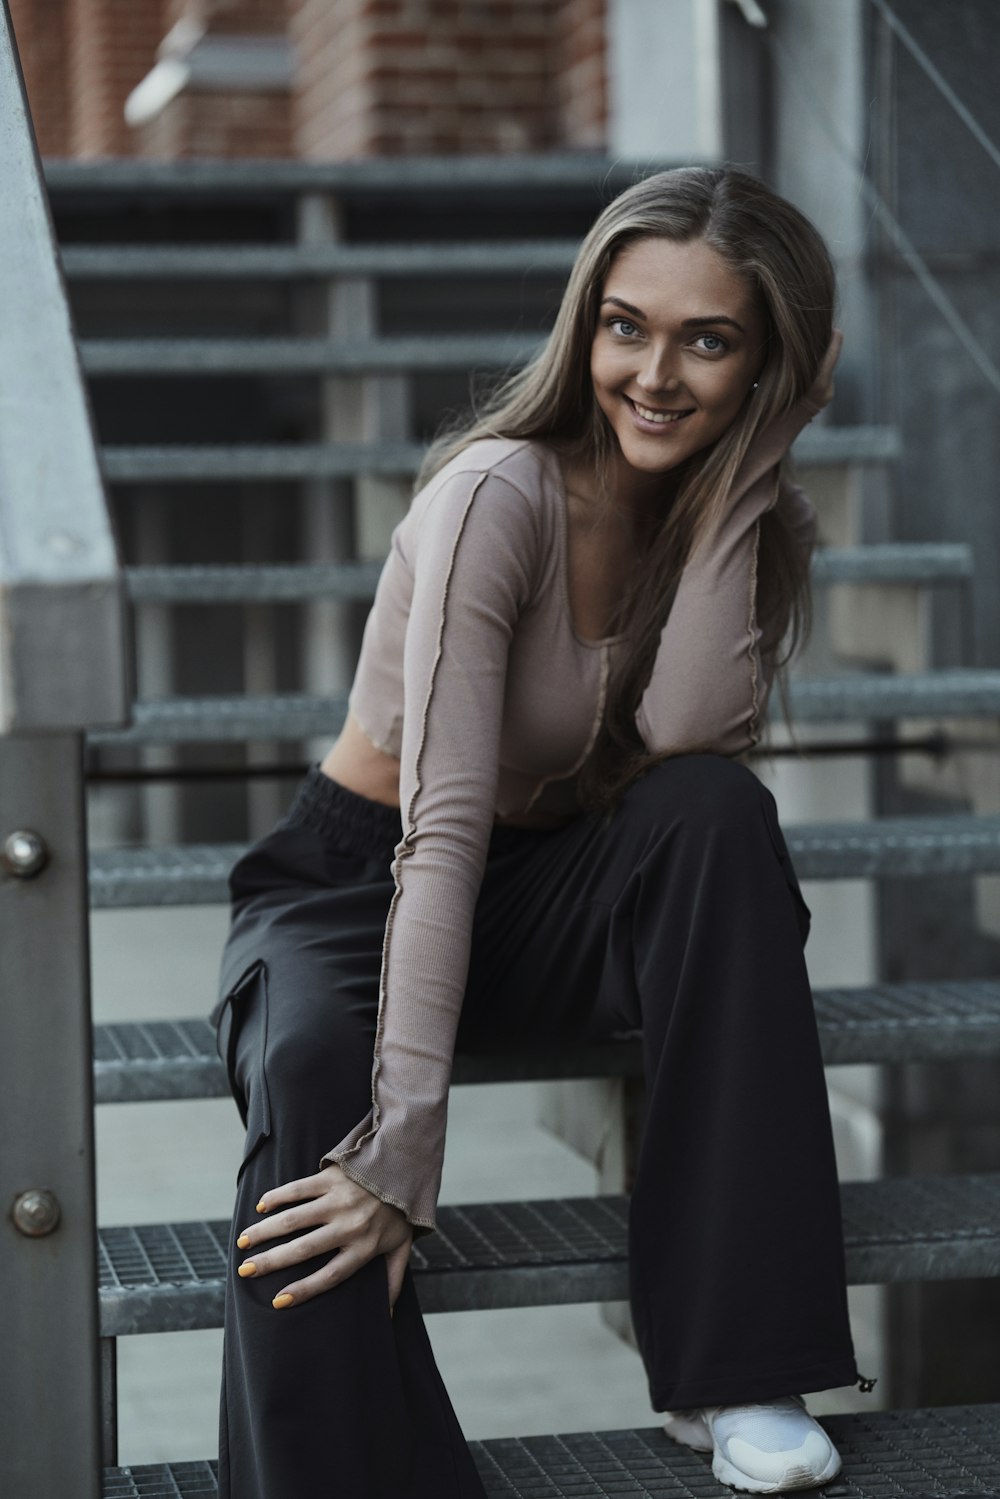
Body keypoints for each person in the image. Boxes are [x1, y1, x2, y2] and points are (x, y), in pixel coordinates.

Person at [210, 165, 866, 1498]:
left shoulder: (739, 516)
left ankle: (736, 1368)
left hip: (556, 885)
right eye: (627, 326)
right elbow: (437, 835)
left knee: (717, 817)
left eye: (713, 340)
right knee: (318, 1097)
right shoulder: (495, 495)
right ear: (584, 327)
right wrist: (405, 1140)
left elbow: (689, 746)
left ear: (776, 363)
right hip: (354, 885)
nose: (656, 374)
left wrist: (756, 467)